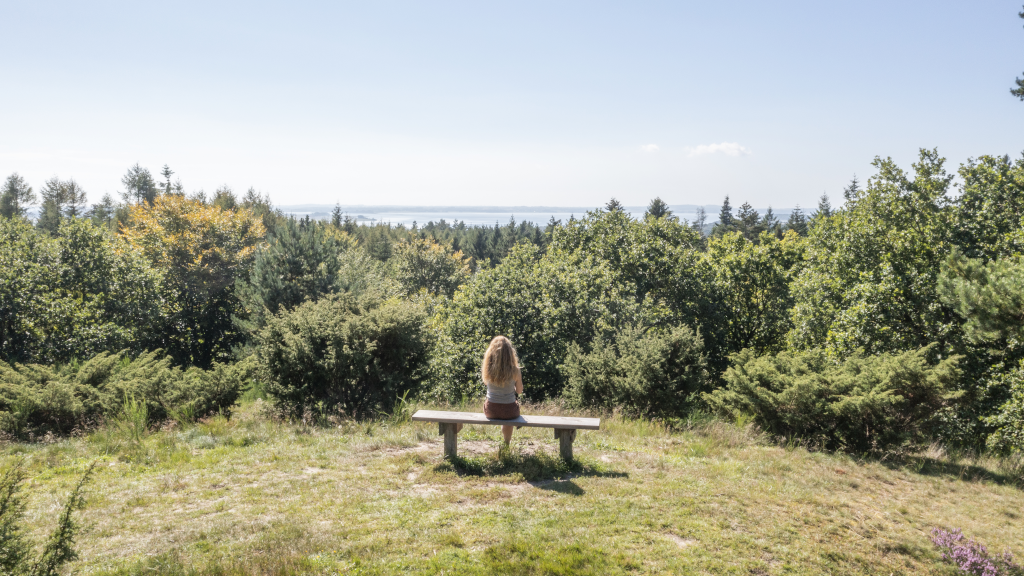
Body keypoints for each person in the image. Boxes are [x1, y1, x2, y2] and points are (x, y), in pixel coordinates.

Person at [480, 335, 523, 444]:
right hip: (510, 411)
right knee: (510, 409)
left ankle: (505, 444)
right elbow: (519, 391)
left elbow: (486, 383)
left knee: (491, 403)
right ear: (510, 353)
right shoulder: (515, 370)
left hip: (491, 410)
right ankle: (506, 443)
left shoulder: (488, 370)